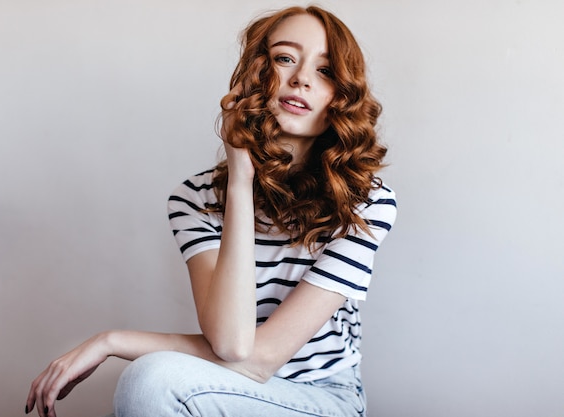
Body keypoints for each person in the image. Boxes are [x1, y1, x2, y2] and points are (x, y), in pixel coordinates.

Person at [25, 5, 397, 417]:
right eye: (284, 58)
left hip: (322, 398)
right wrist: (240, 182)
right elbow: (232, 343)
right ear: (256, 75)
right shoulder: (194, 199)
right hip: (225, 382)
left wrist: (112, 341)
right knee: (153, 378)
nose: (301, 79)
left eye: (325, 71)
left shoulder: (366, 203)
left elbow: (257, 359)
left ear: (342, 94)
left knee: (152, 378)